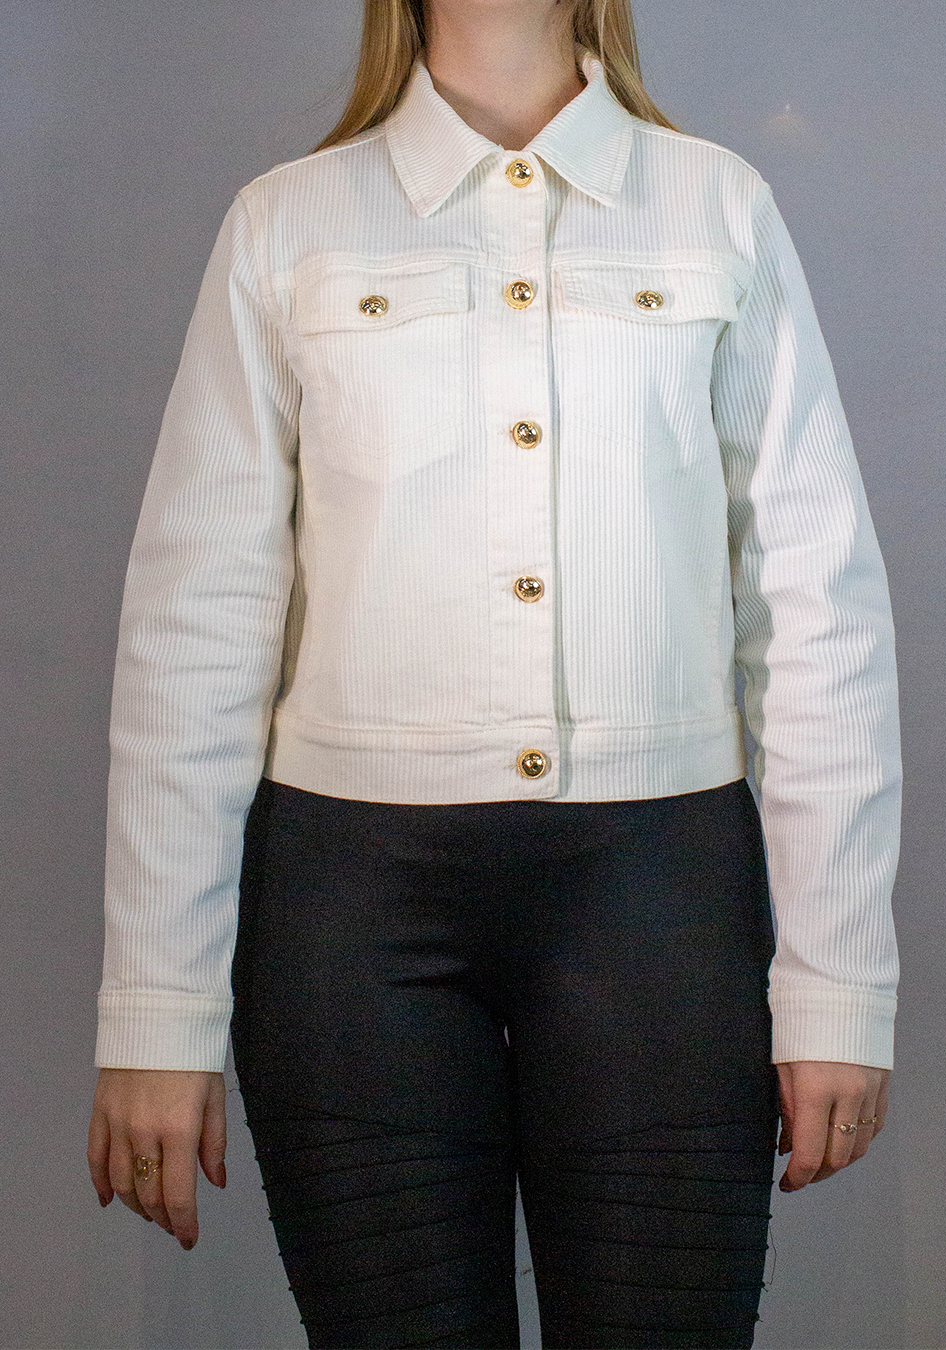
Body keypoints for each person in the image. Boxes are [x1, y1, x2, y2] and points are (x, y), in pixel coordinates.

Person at [86, 0, 902, 1345]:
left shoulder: (717, 209)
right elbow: (197, 626)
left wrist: (838, 981)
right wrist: (157, 1010)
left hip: (660, 896)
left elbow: (818, 609)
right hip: (350, 916)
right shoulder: (289, 223)